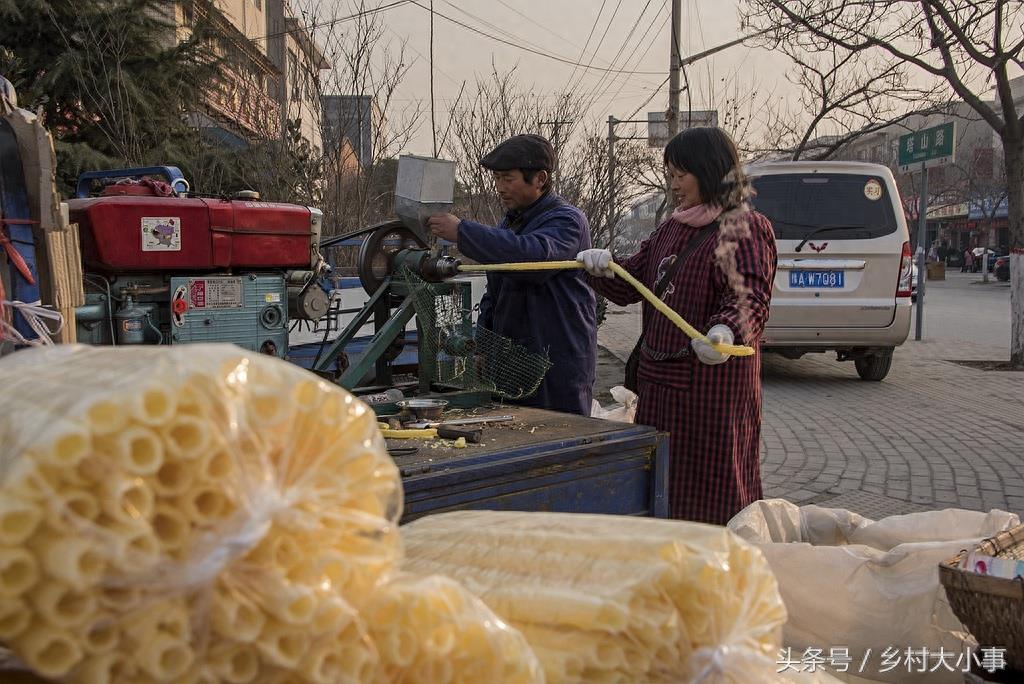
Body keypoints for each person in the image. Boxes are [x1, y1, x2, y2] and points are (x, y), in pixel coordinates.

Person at [576, 127, 777, 525]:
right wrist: (600, 267)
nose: (673, 186)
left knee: (717, 486)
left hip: (713, 392)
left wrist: (726, 332)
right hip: (661, 388)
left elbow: (749, 296)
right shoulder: (671, 229)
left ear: (709, 171)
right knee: (666, 487)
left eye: (679, 175)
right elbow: (632, 282)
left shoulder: (745, 228)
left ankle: (725, 564)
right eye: (669, 176)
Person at [426, 134, 597, 415]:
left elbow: (531, 258)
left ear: (540, 179)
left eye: (508, 178)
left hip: (556, 359)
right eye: (497, 179)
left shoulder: (567, 220)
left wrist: (462, 232)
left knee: (560, 438)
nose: (500, 188)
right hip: (512, 359)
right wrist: (483, 346)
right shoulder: (512, 220)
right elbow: (495, 289)